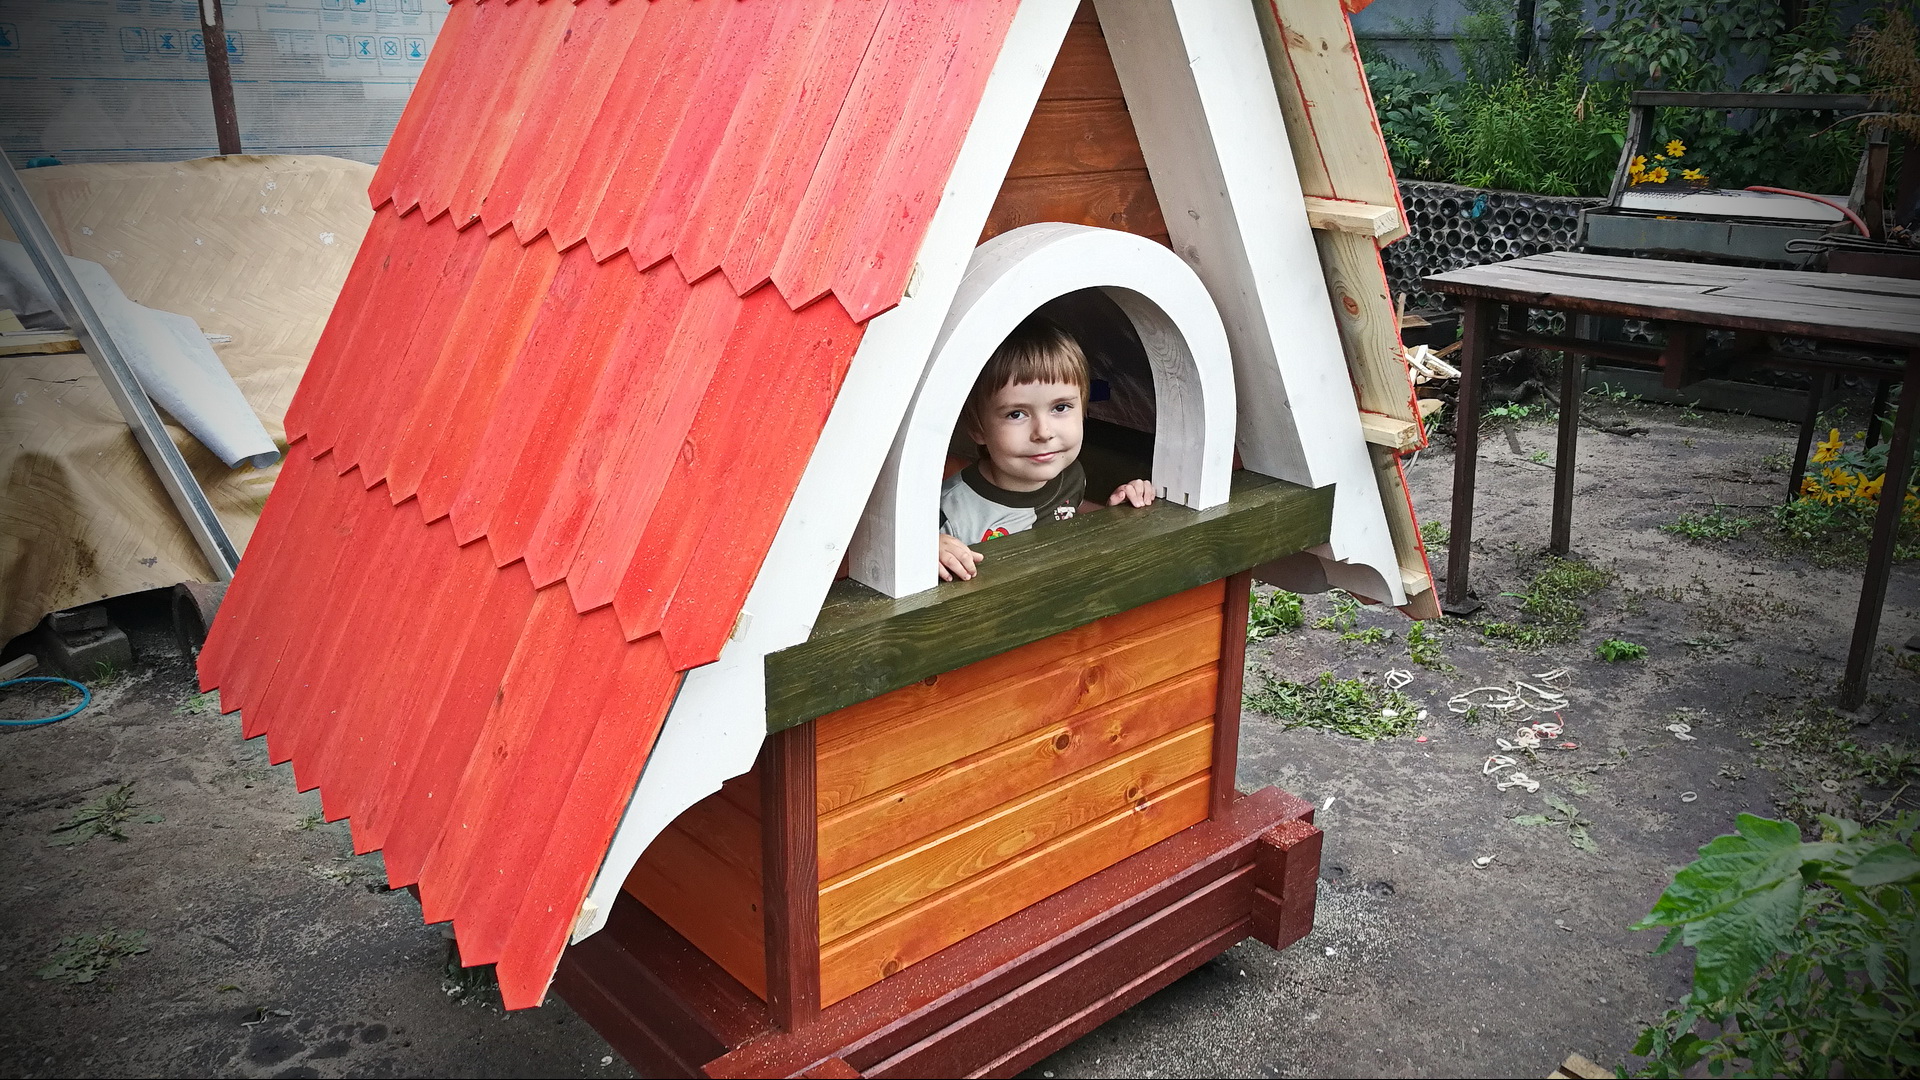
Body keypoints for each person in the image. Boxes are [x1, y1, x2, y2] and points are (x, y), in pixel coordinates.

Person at [938, 317, 1155, 582]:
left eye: (1060, 407)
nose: (1043, 432)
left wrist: (1114, 513)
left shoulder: (1071, 476)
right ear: (978, 429)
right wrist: (928, 551)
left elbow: (1068, 512)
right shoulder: (948, 512)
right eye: (1016, 414)